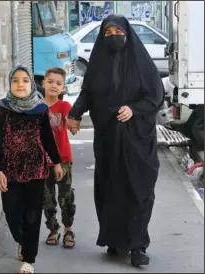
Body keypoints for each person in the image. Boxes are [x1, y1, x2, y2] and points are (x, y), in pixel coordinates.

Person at [66, 14, 165, 267]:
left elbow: (155, 96)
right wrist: (74, 114)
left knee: (139, 190)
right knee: (110, 190)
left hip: (138, 142)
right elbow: (87, 93)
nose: (113, 37)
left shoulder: (141, 63)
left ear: (127, 34)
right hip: (108, 140)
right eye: (108, 33)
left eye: (117, 32)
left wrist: (134, 109)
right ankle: (115, 240)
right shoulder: (97, 63)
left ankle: (138, 246)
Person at [0, 65, 64, 274]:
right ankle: (22, 241)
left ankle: (29, 259)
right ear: (10, 84)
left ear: (31, 84)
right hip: (10, 172)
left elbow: (48, 140)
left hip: (36, 171)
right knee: (12, 214)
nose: (20, 84)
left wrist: (56, 163)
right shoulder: (2, 110)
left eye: (24, 80)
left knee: (32, 215)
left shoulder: (40, 110)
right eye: (15, 80)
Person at [42, 67, 76, 249]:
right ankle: (53, 229)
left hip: (63, 160)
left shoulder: (64, 107)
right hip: (42, 161)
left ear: (63, 88)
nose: (53, 86)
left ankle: (68, 229)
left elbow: (72, 123)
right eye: (50, 82)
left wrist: (73, 126)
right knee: (46, 198)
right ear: (43, 83)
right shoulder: (37, 108)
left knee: (66, 196)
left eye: (58, 83)